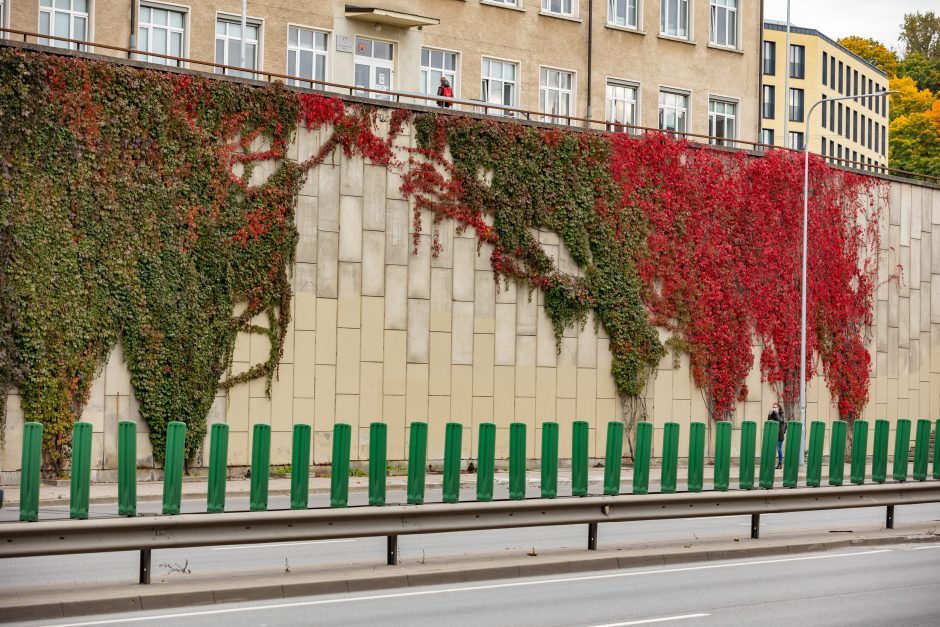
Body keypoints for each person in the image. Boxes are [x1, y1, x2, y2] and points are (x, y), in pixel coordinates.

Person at [768, 402, 787, 469]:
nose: (774, 408)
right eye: (773, 407)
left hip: (780, 434)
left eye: (775, 407)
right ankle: (770, 463)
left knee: (779, 449)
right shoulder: (773, 414)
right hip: (773, 433)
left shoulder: (781, 414)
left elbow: (780, 420)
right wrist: (769, 415)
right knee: (771, 448)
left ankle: (780, 463)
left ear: (778, 408)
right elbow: (769, 421)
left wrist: (776, 413)